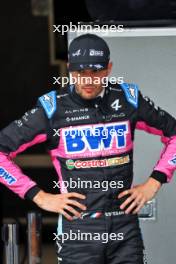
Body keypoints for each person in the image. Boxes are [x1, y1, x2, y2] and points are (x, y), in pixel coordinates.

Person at [0, 33, 176, 264]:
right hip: (79, 230)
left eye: (95, 72)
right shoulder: (52, 108)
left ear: (108, 69)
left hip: (125, 228)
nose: (88, 80)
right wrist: (39, 196)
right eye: (80, 73)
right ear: (70, 70)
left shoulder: (128, 100)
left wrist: (155, 182)